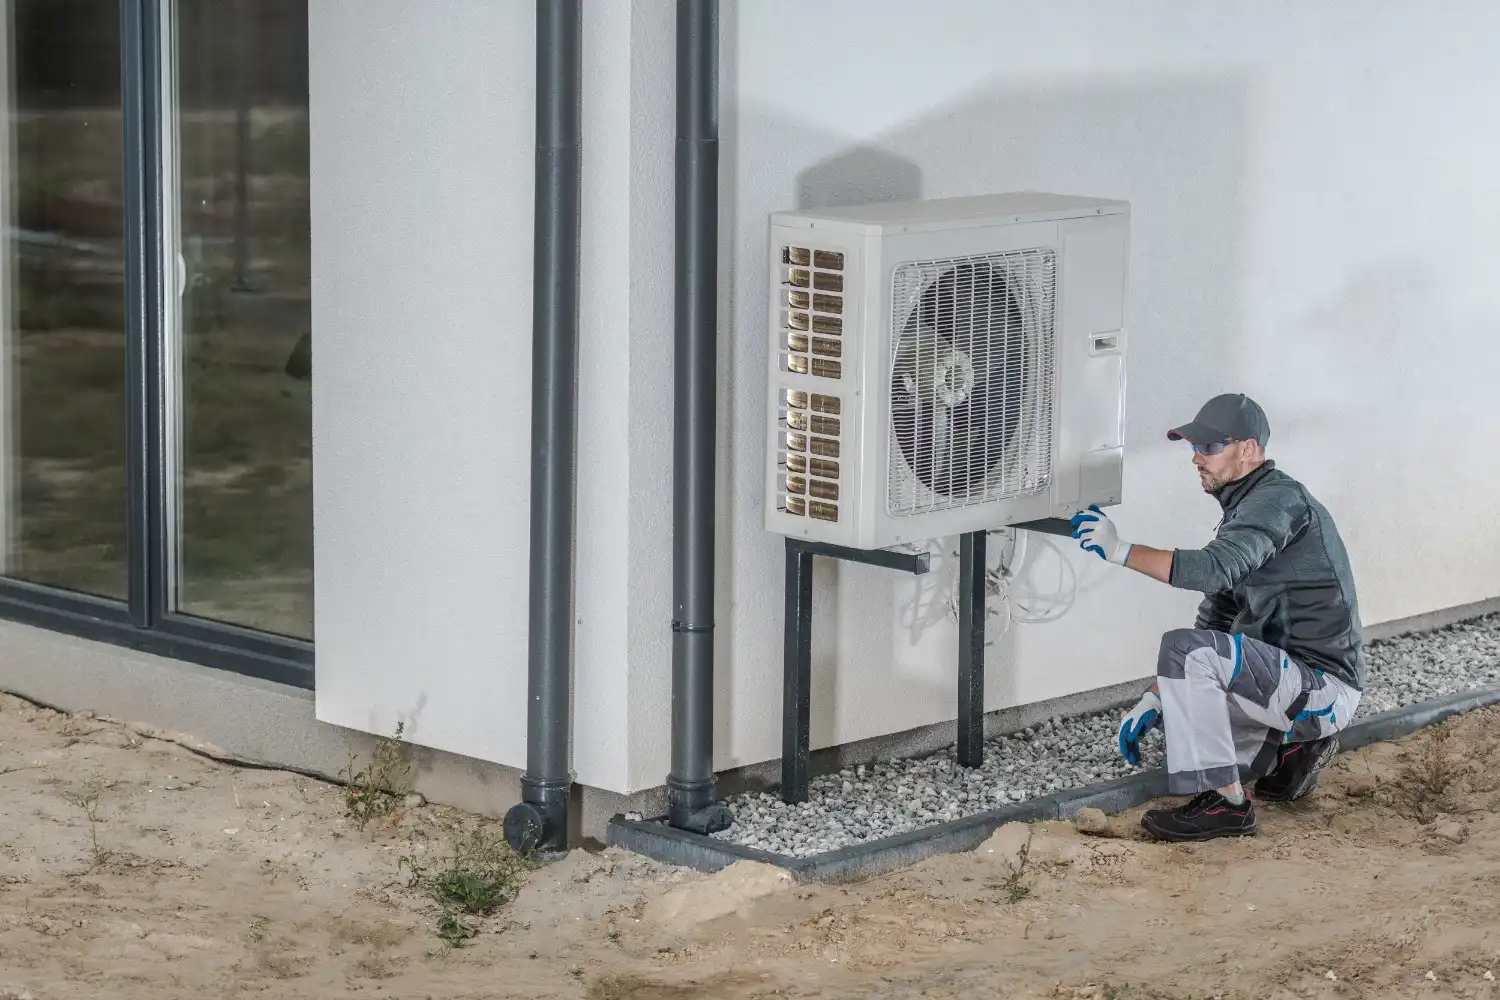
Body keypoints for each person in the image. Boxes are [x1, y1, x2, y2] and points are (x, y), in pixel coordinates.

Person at [1069, 392, 1365, 842]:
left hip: (1321, 686)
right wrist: (1157, 695)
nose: (1196, 459)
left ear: (1247, 450)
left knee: (1184, 660)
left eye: (1209, 448)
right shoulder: (1246, 510)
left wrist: (1119, 550)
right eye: (1194, 448)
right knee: (1185, 709)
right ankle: (1291, 754)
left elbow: (1213, 568)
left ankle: (1226, 806)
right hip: (1288, 681)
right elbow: (1217, 616)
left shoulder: (1278, 500)